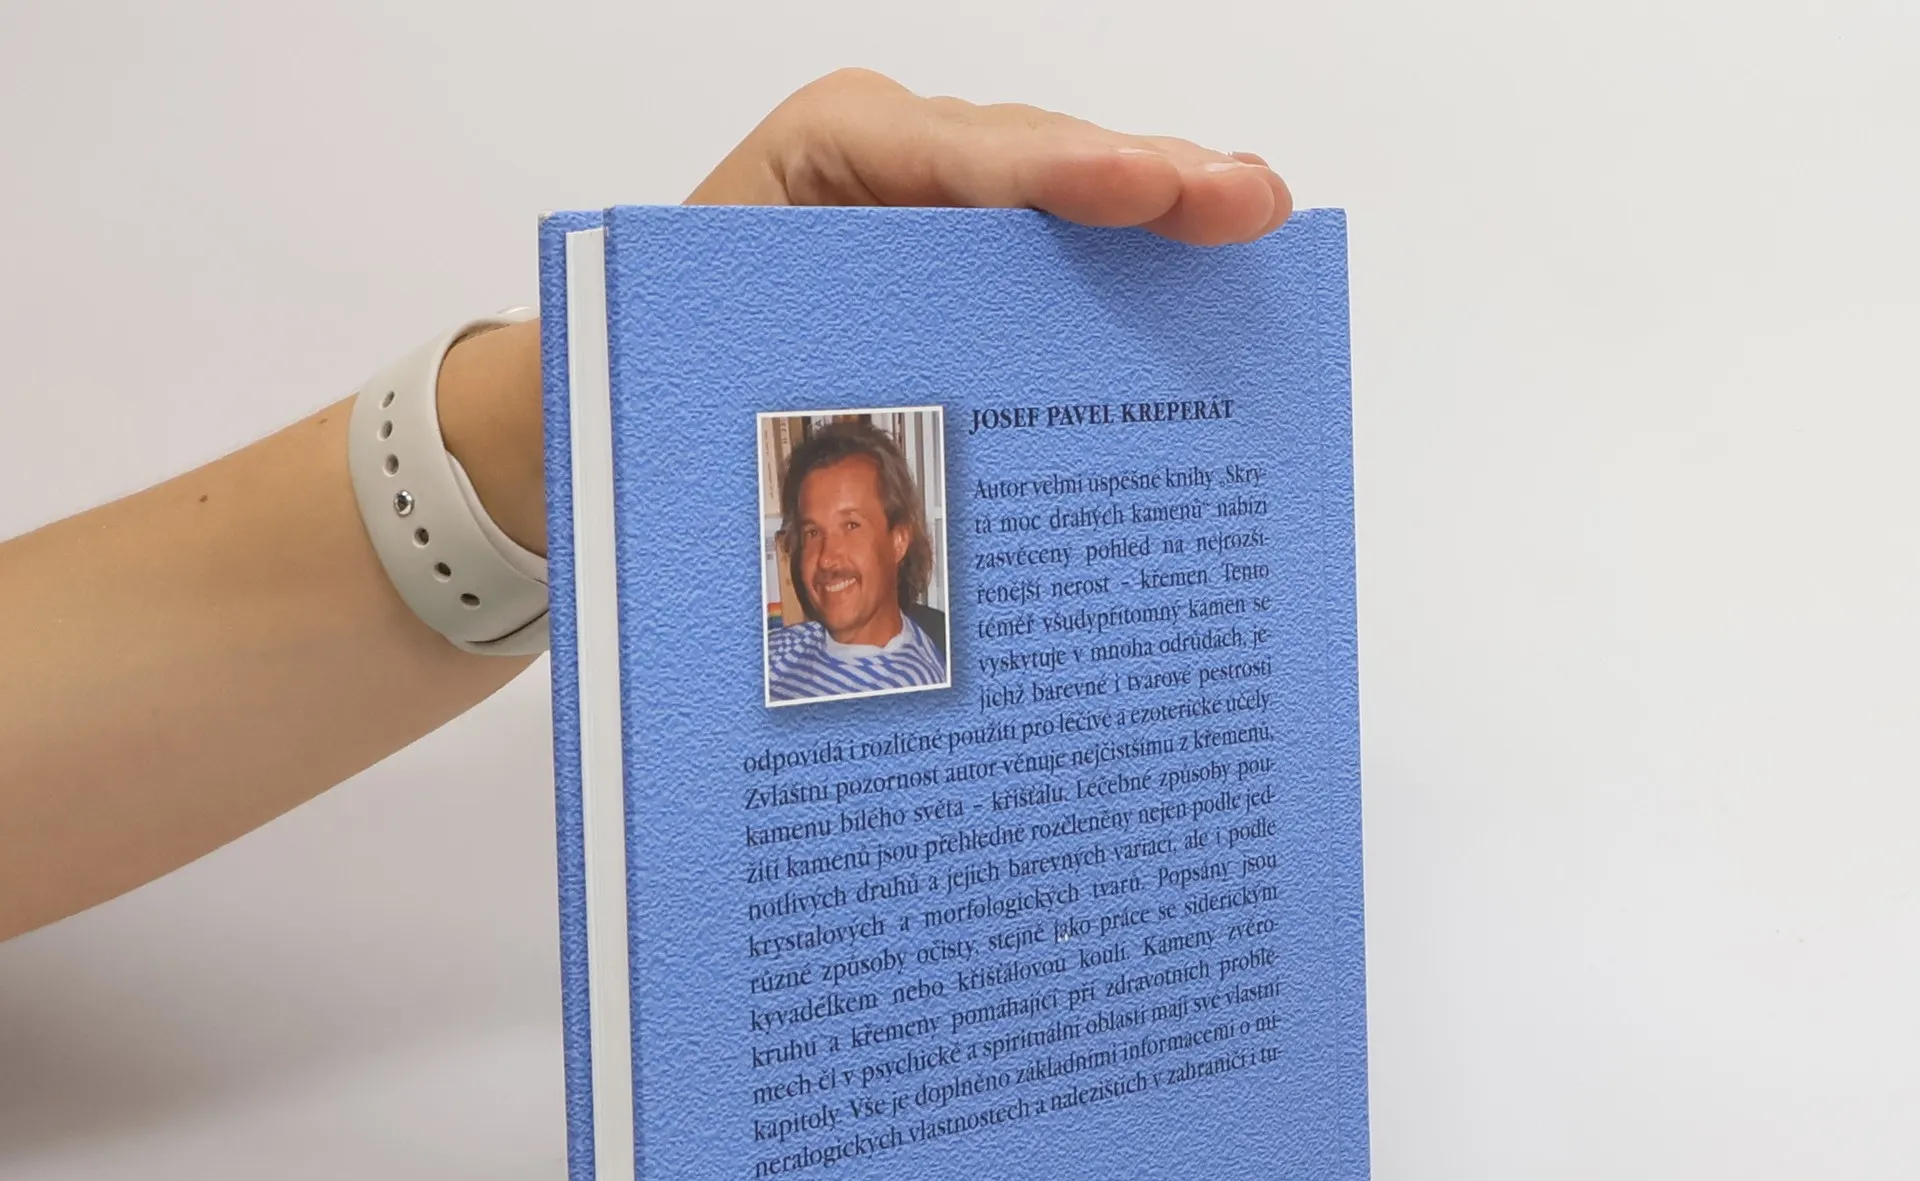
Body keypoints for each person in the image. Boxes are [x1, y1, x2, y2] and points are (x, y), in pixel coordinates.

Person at [0, 69, 1290, 942]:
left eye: (850, 525)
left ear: (907, 535)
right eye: (806, 529)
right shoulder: (773, 671)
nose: (825, 556)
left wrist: (587, 400)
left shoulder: (958, 656)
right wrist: (618, 385)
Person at [767, 419, 947, 705]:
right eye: (813, 532)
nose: (826, 558)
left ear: (898, 541)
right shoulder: (787, 646)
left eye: (851, 526)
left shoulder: (909, 692)